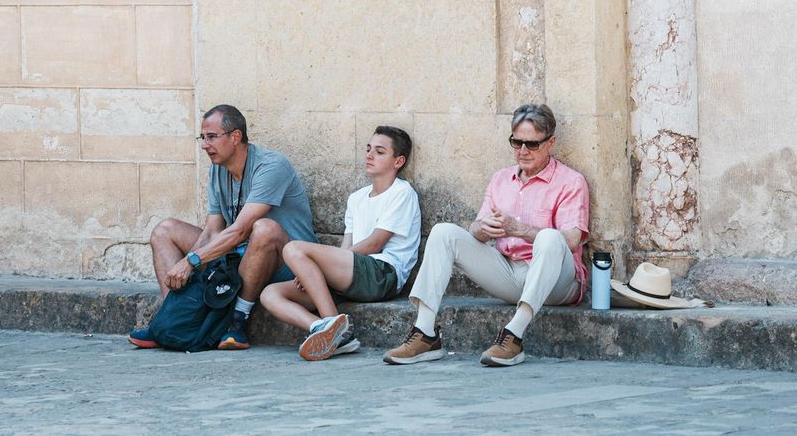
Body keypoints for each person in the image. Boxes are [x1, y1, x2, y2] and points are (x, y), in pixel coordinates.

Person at [382, 103, 588, 367]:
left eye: (532, 144)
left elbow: (571, 240)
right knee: (444, 232)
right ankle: (425, 334)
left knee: (550, 238)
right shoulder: (500, 179)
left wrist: (520, 230)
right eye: (516, 142)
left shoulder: (570, 181)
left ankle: (513, 336)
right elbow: (477, 231)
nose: (523, 151)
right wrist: (481, 228)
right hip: (509, 274)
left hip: (558, 283)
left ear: (550, 143)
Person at [128, 104, 317, 351]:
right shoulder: (218, 171)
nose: (205, 145)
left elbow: (240, 230)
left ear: (235, 137)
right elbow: (212, 231)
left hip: (287, 265)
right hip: (241, 257)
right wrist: (187, 264)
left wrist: (190, 262)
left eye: (212, 137)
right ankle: (173, 320)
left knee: (263, 228)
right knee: (165, 230)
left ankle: (238, 324)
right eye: (203, 138)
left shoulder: (271, 166)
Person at [260, 126, 422, 361]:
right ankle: (325, 329)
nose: (369, 155)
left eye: (379, 151)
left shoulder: (402, 192)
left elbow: (375, 244)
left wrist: (320, 263)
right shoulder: (356, 198)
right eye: (368, 149)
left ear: (398, 161)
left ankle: (337, 330)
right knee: (270, 293)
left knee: (293, 248)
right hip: (353, 274)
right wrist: (313, 270)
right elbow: (348, 246)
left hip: (383, 273)